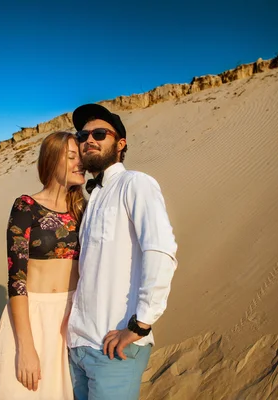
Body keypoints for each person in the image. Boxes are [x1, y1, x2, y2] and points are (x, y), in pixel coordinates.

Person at [67, 103, 178, 399]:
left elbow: (161, 250)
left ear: (120, 143)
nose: (89, 139)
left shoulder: (135, 184)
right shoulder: (93, 199)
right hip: (78, 347)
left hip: (113, 349)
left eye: (100, 133)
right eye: (83, 135)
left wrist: (140, 325)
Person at [0, 131, 86, 400]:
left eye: (80, 157)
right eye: (70, 156)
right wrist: (26, 348)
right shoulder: (26, 207)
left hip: (72, 321)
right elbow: (16, 279)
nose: (79, 163)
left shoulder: (84, 211)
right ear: (51, 160)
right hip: (31, 318)